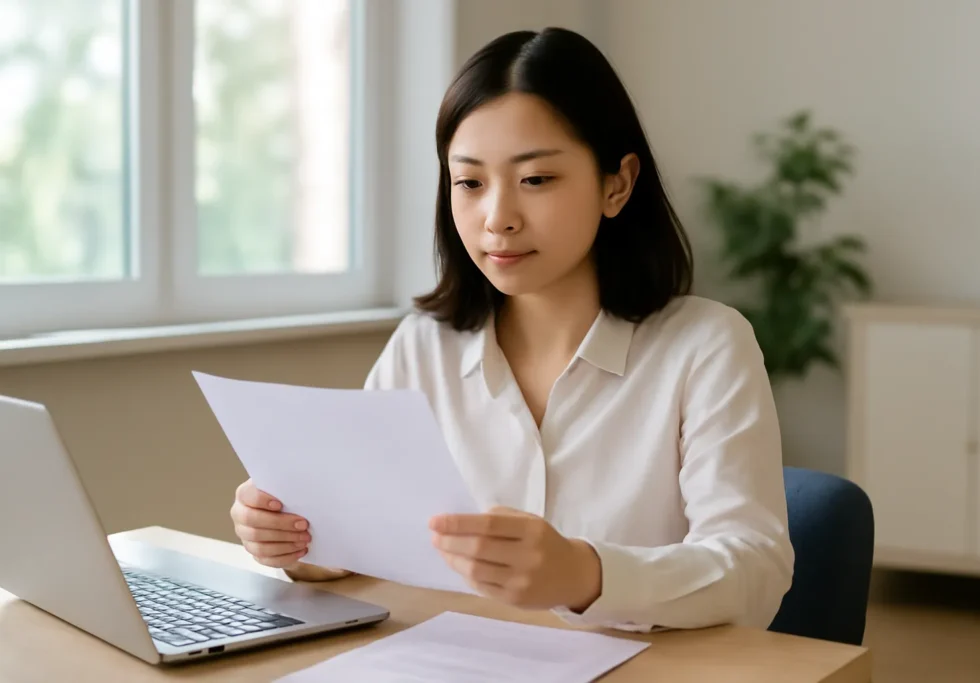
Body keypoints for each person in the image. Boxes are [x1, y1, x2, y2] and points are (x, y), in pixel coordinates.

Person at [230, 27, 794, 632]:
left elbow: (753, 572)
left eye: (536, 180)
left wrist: (587, 575)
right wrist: (300, 544)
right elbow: (367, 535)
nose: (497, 219)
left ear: (617, 183)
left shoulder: (706, 346)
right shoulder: (423, 346)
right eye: (469, 183)